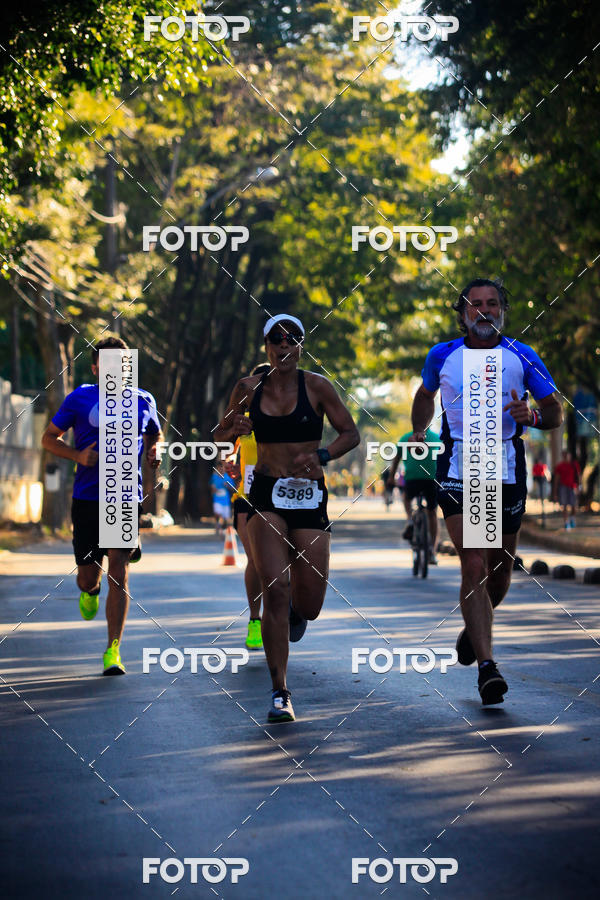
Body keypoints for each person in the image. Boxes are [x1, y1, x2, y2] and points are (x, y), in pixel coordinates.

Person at [411, 278, 563, 705]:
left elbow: (555, 412)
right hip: (462, 464)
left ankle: (473, 631)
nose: (483, 311)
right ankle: (486, 667)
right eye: (475, 305)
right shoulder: (442, 355)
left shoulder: (522, 356)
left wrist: (530, 415)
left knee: (498, 572)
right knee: (474, 562)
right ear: (462, 313)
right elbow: (425, 395)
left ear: (503, 311)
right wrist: (421, 428)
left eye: (492, 304)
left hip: (506, 466)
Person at [214, 314, 360, 723]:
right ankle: (280, 691)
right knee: (274, 587)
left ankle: (297, 608)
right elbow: (218, 435)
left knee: (308, 605)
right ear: (266, 346)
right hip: (266, 496)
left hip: (309, 498)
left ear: (300, 346)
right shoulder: (248, 388)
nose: (284, 346)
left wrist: (322, 456)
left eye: (292, 340)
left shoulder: (317, 387)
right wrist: (232, 427)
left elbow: (350, 433)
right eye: (276, 340)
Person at [41, 336, 161, 675]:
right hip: (87, 497)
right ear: (95, 367)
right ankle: (88, 590)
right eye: (108, 363)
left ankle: (113, 651)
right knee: (88, 578)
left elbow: (155, 434)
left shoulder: (143, 400)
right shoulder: (80, 398)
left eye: (123, 363)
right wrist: (77, 455)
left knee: (119, 573)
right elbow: (48, 439)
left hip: (123, 496)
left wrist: (155, 451)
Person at [231, 362, 270, 651]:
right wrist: (228, 463)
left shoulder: (289, 417)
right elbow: (224, 444)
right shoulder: (243, 419)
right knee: (257, 560)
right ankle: (255, 620)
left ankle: (282, 611)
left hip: (283, 499)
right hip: (246, 499)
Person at [387, 426, 440, 564]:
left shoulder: (406, 438)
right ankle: (432, 552)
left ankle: (410, 519)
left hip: (412, 478)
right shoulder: (437, 438)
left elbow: (396, 458)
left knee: (406, 498)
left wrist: (391, 477)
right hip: (432, 480)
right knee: (432, 512)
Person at [553, 450, 581, 529]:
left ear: (570, 456)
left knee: (574, 506)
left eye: (567, 455)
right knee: (564, 506)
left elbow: (578, 476)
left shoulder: (574, 464)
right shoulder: (560, 466)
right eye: (564, 455)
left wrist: (579, 487)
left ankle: (572, 518)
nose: (565, 457)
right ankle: (566, 523)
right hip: (563, 487)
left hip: (572, 487)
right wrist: (555, 493)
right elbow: (556, 480)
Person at [211, 460, 235, 534]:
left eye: (222, 467)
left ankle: (227, 530)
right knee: (218, 513)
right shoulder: (214, 477)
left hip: (225, 500)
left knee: (227, 517)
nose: (221, 469)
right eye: (219, 467)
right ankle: (218, 528)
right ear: (217, 468)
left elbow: (232, 488)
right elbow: (211, 487)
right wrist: (213, 489)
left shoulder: (227, 477)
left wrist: (227, 485)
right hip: (217, 499)